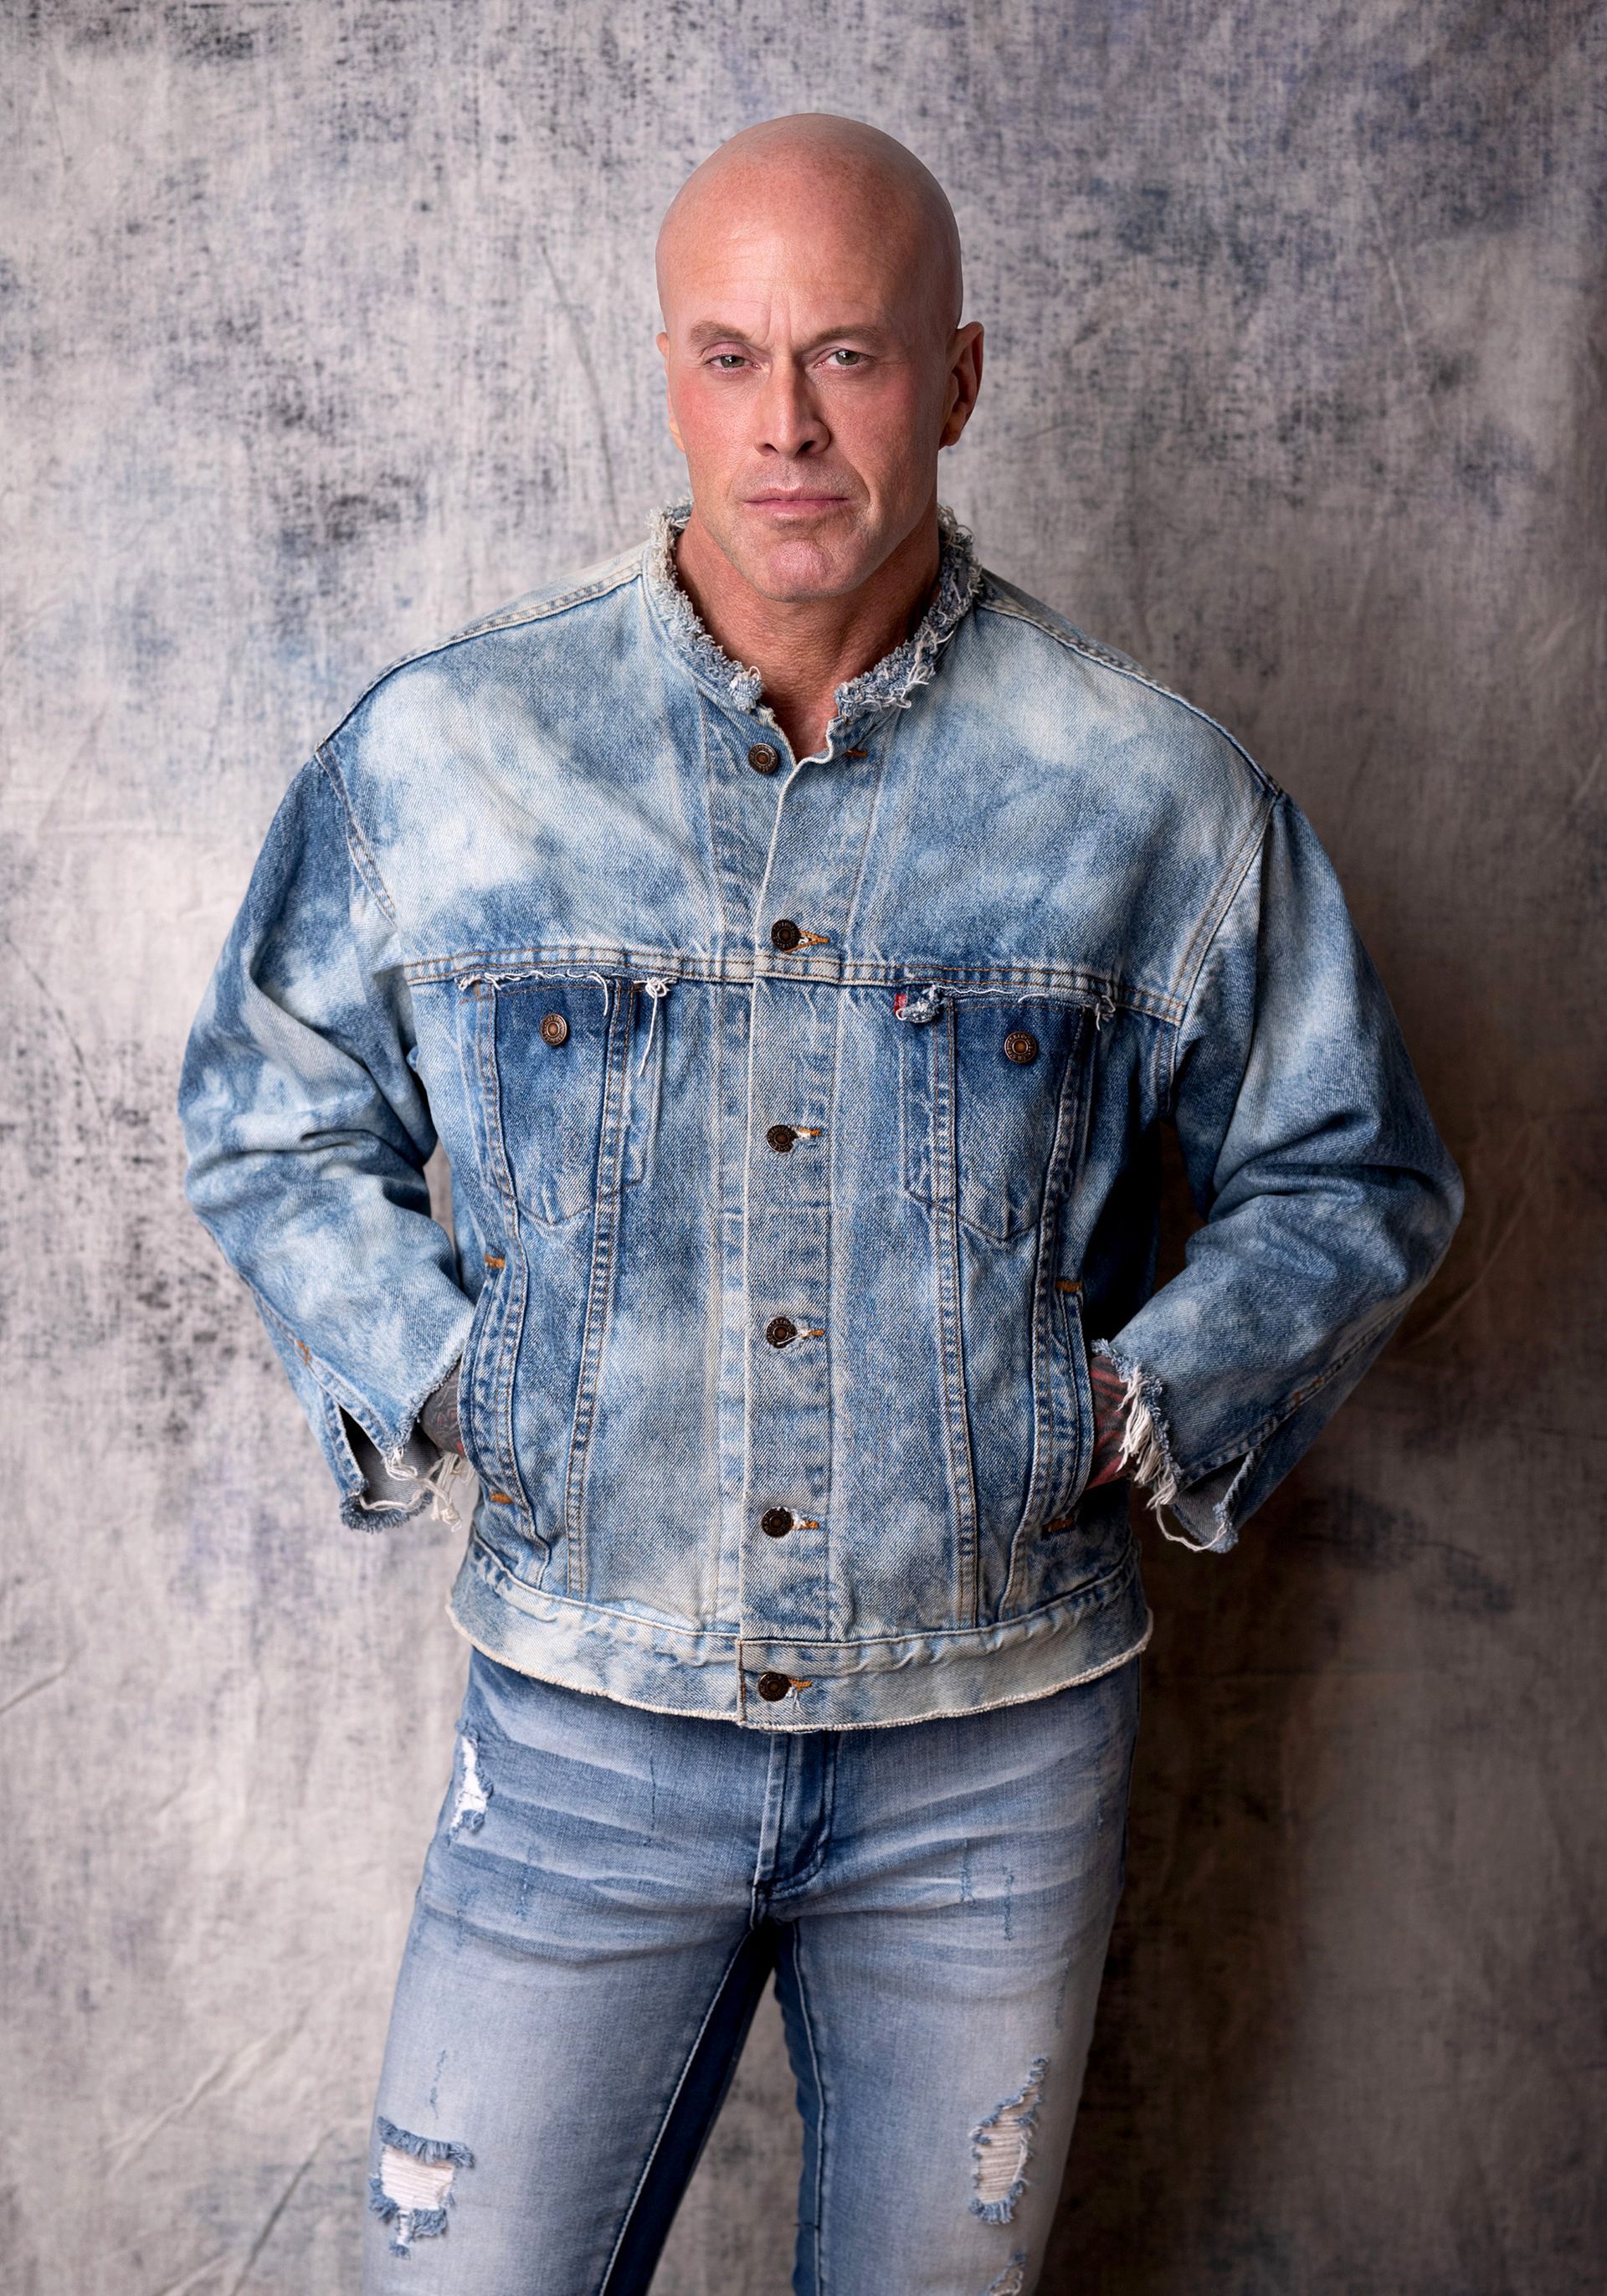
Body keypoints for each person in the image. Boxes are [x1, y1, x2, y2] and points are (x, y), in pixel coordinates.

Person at [180, 113, 1461, 2296]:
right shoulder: (449, 753)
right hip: (581, 1738)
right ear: (669, 374)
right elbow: (266, 1115)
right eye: (732, 355)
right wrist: (477, 1379)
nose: (785, 424)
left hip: (993, 1764)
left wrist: (1128, 1410)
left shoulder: (1146, 789)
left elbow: (1355, 1167)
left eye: (849, 355)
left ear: (955, 378)